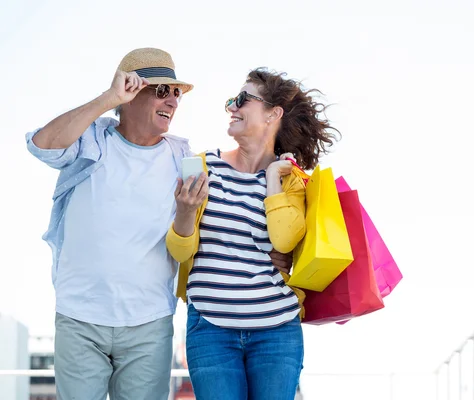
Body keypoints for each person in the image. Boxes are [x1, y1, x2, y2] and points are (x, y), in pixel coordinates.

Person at [25, 49, 291, 400]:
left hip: (148, 325)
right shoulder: (91, 141)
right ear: (131, 93)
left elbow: (217, 226)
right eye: (162, 90)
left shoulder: (185, 159)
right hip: (80, 319)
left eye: (176, 92)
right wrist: (108, 99)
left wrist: (273, 254)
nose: (173, 101)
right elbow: (41, 145)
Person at [166, 67, 340, 400]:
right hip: (211, 331)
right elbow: (179, 252)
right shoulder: (202, 166)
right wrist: (186, 211)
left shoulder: (290, 179)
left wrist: (273, 177)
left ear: (273, 113)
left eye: (242, 99)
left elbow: (285, 240)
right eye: (231, 100)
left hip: (277, 332)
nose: (232, 107)